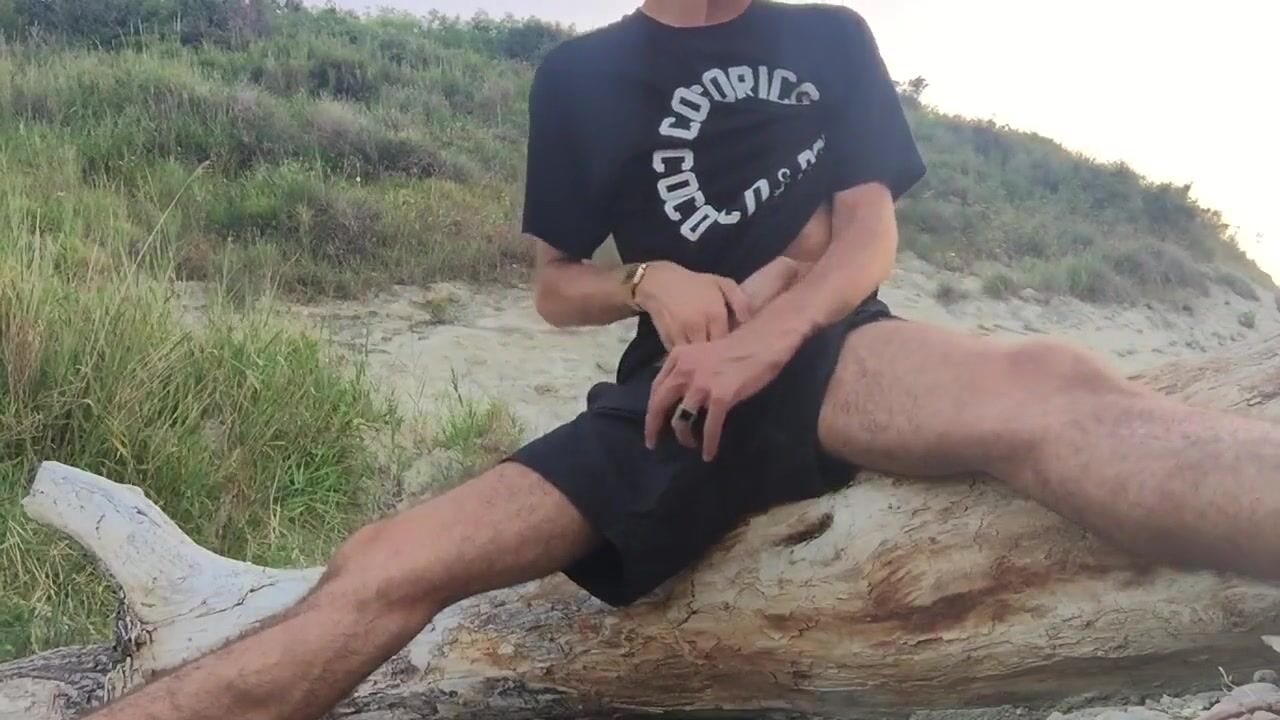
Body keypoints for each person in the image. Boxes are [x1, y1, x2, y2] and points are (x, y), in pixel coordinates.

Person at [87, 1, 1280, 718]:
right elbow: (555, 285)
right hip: (661, 394)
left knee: (1051, 391)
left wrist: (767, 333)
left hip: (833, 355)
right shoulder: (579, 76)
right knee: (382, 562)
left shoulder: (826, 36)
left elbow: (863, 233)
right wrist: (646, 279)